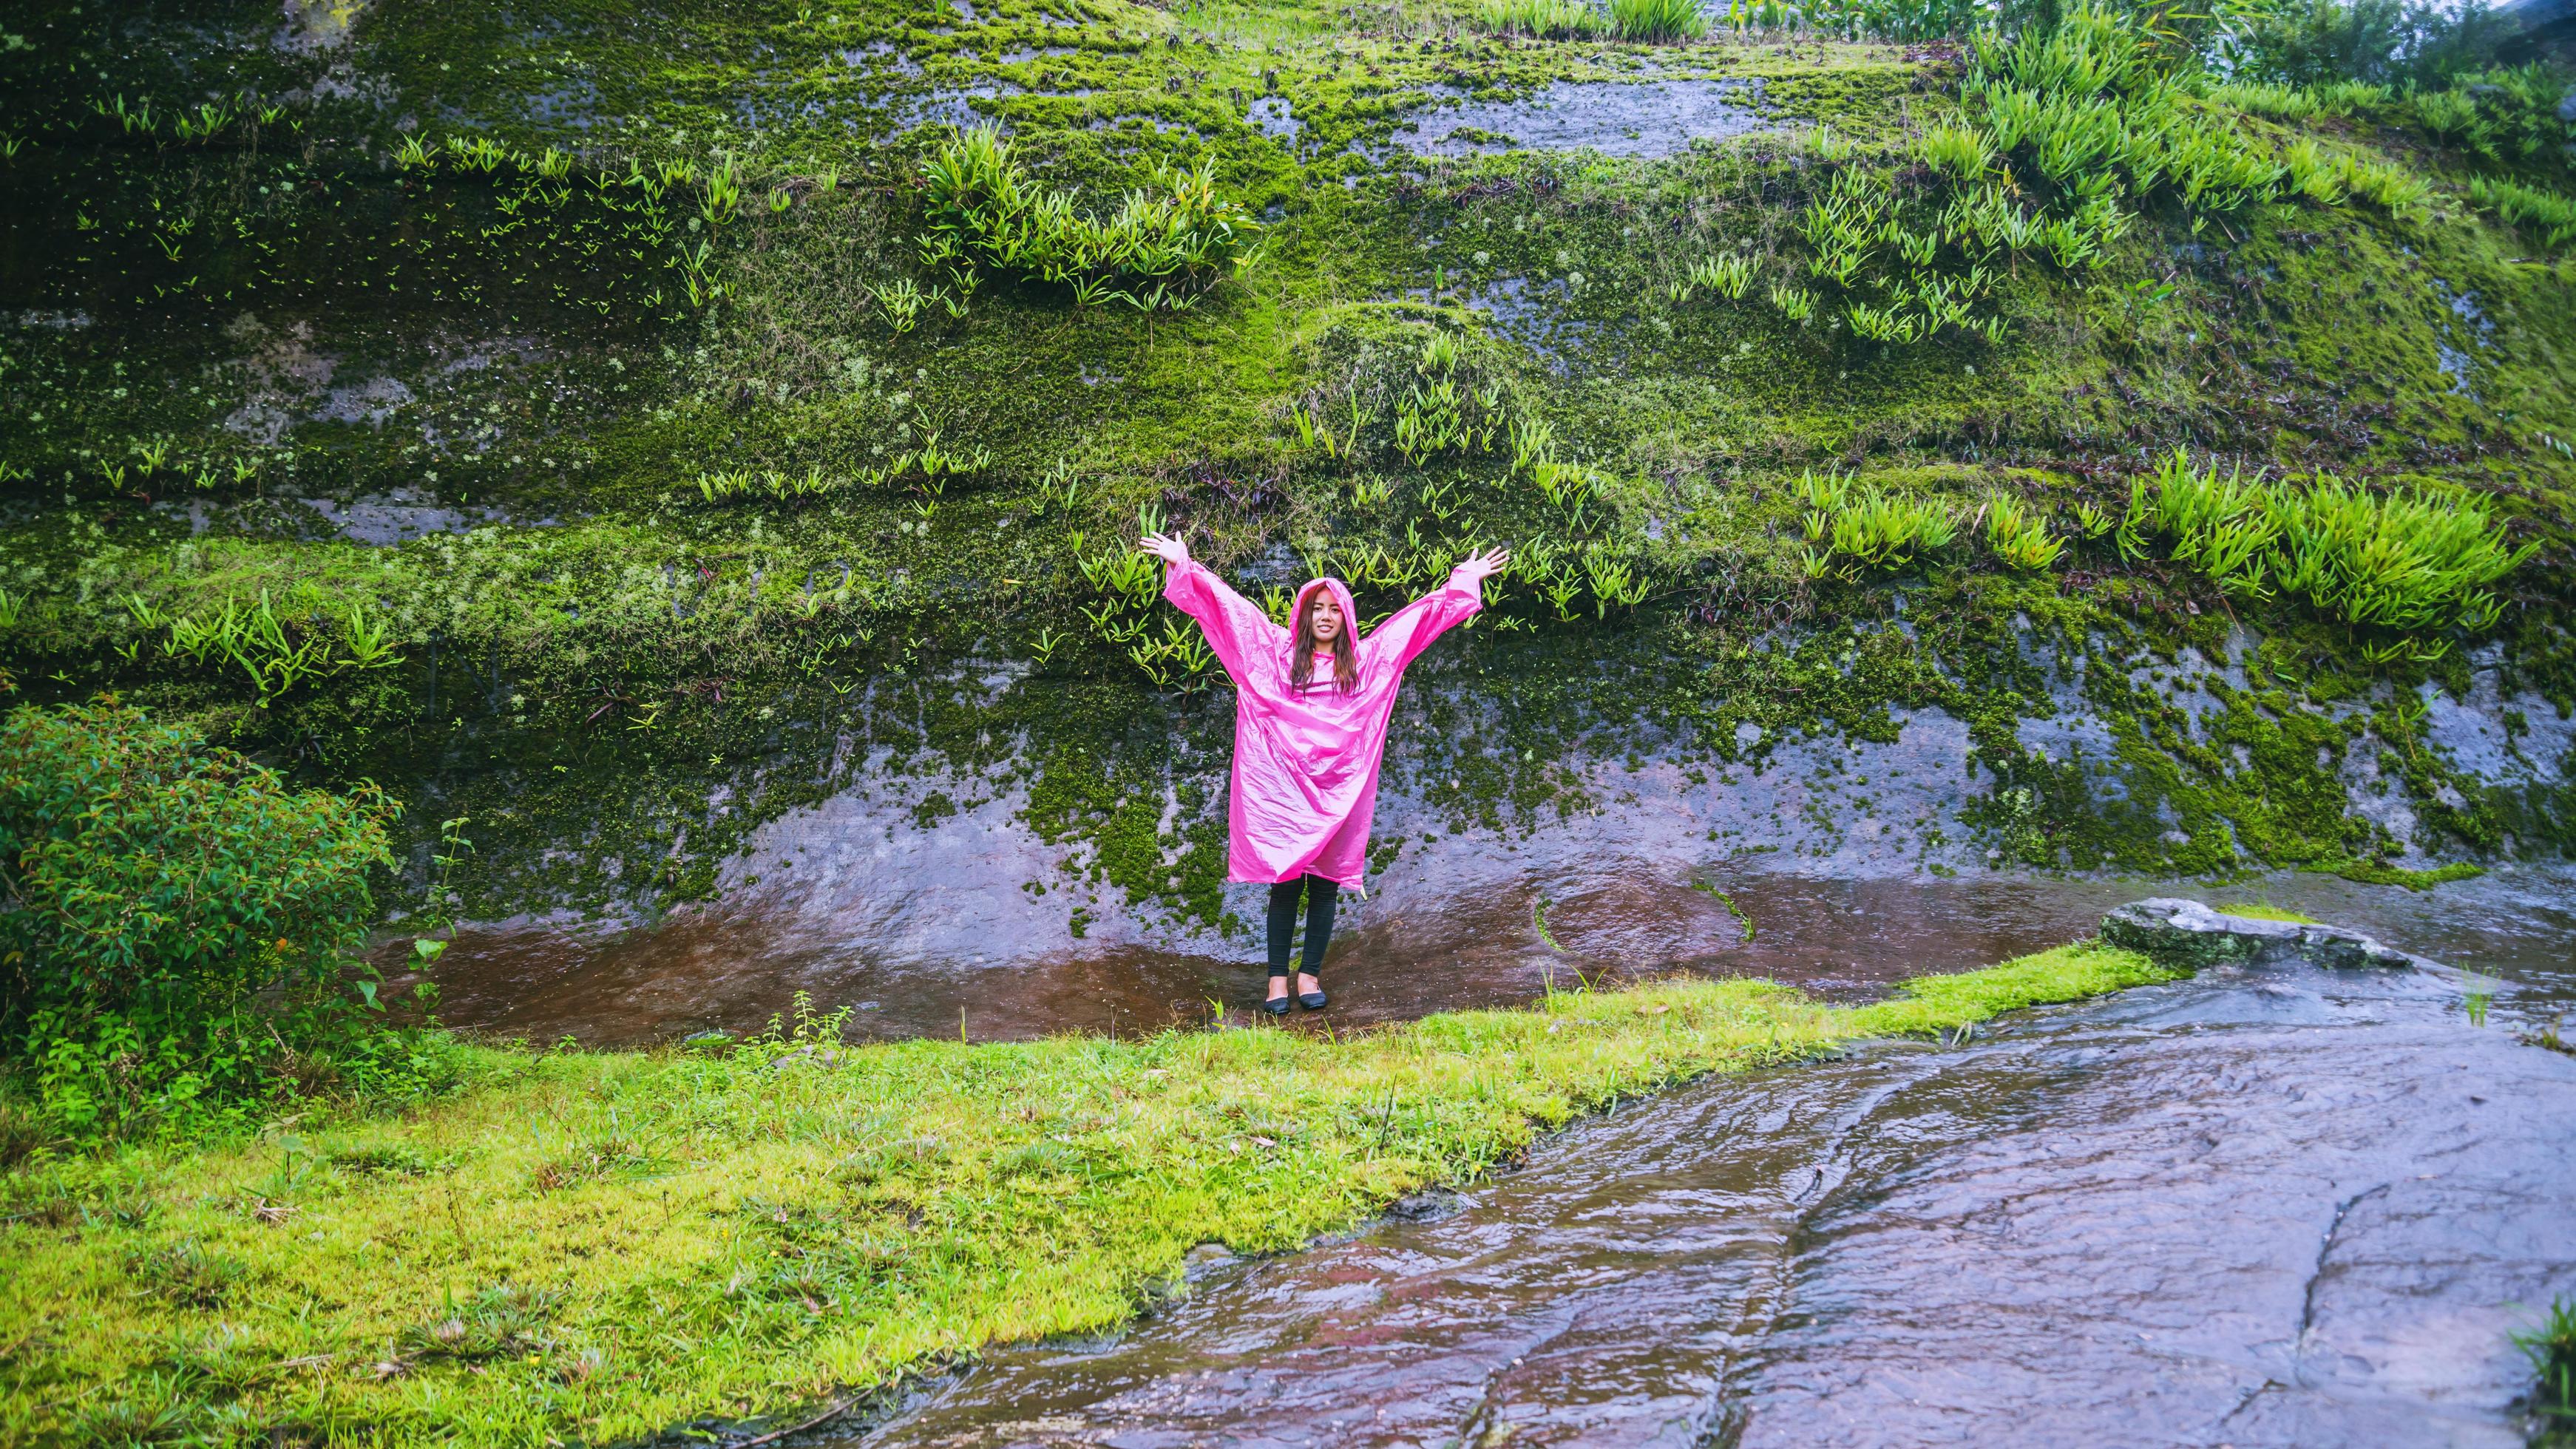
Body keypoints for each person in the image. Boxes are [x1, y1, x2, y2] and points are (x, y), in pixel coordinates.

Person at [1139, 531, 1511, 1014]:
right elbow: (1234, 613)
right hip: (1287, 794)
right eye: (1318, 608)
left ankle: (1309, 973)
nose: (1326, 616)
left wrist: (1464, 580)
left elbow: (1416, 623)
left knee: (1326, 885)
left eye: (1335, 609)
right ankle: (1276, 981)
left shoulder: (1368, 663)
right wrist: (1186, 566)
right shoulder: (1276, 655)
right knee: (1286, 884)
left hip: (1340, 794)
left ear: (1346, 618)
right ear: (1305, 614)